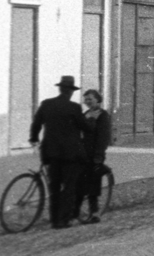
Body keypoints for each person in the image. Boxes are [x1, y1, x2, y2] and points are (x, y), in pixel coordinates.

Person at [29, 75, 92, 230]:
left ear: (60, 89)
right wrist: (91, 123)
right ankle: (64, 220)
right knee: (69, 187)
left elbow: (36, 124)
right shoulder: (74, 107)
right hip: (70, 154)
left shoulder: (46, 104)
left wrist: (34, 139)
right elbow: (84, 127)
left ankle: (54, 220)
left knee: (54, 187)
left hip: (51, 153)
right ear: (70, 91)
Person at [81, 89, 111, 223]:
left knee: (93, 182)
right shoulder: (85, 114)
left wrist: (98, 155)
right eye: (86, 99)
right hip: (82, 153)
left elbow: (103, 137)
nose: (87, 102)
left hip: (94, 154)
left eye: (90, 99)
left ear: (98, 100)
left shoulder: (103, 115)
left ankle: (95, 213)